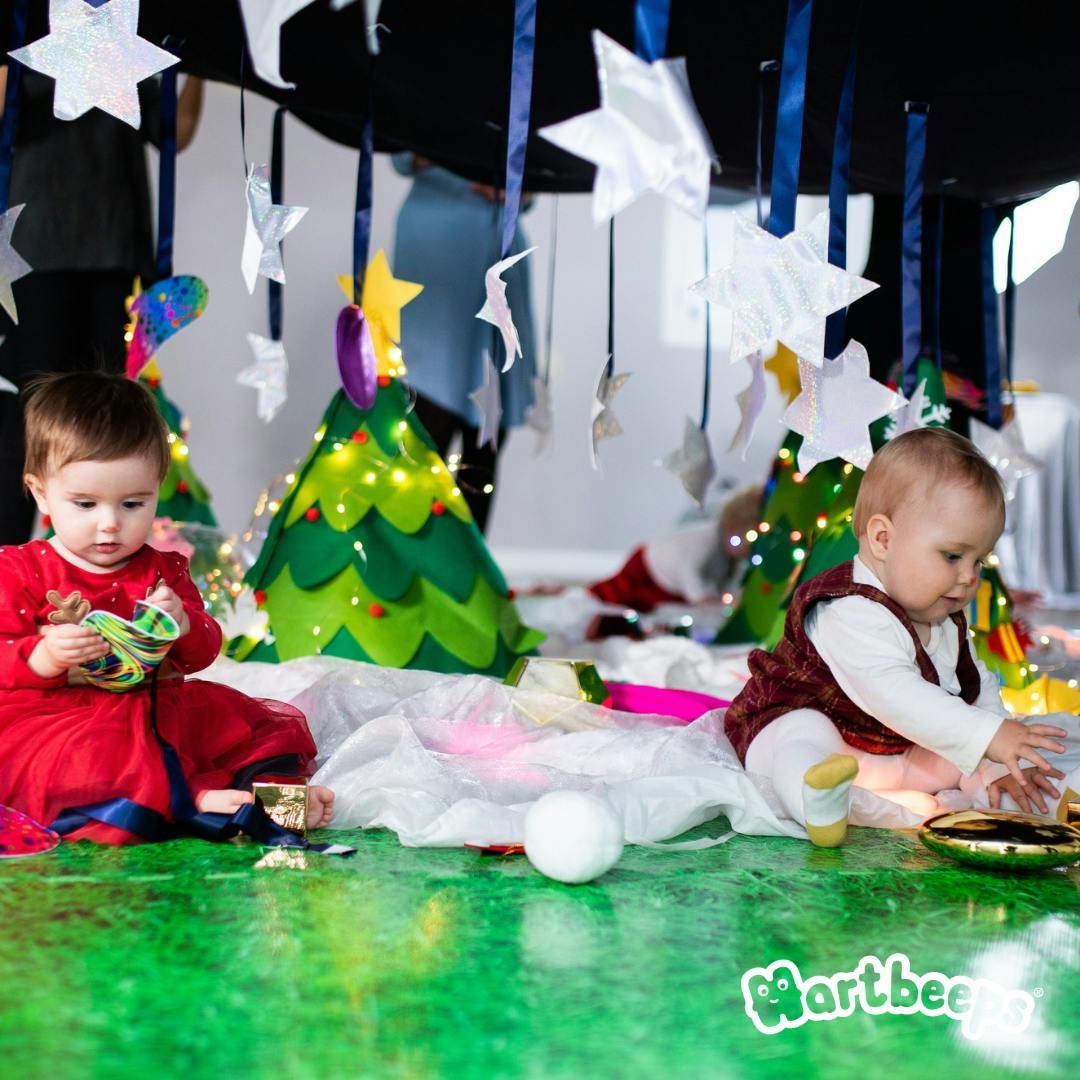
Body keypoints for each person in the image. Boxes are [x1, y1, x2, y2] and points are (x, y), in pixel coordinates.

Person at [0, 371, 333, 844]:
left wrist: (183, 625)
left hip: (159, 703)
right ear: (40, 493)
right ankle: (197, 801)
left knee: (237, 733)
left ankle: (274, 802)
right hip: (62, 717)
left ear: (157, 488)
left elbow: (202, 652)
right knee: (96, 759)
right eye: (86, 504)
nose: (110, 524)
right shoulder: (19, 569)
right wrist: (44, 656)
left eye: (133, 503)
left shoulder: (162, 569)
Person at [722, 427, 1078, 847]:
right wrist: (986, 735)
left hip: (888, 754)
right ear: (883, 539)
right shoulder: (847, 608)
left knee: (968, 751)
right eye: (952, 555)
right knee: (798, 738)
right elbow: (897, 695)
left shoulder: (942, 612)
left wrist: (997, 750)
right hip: (815, 730)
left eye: (978, 560)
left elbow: (973, 683)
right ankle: (816, 800)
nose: (968, 577)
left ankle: (1013, 793)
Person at [0, 23, 205, 542]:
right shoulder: (29, 23)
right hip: (34, 254)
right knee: (21, 424)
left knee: (108, 424)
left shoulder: (121, 32)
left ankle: (93, 575)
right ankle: (8, 581)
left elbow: (174, 129)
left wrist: (204, 57)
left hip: (117, 249)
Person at [391, 153, 536, 533]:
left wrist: (524, 184)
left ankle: (466, 574)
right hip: (440, 240)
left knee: (488, 431)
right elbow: (403, 147)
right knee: (425, 419)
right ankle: (407, 572)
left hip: (499, 240)